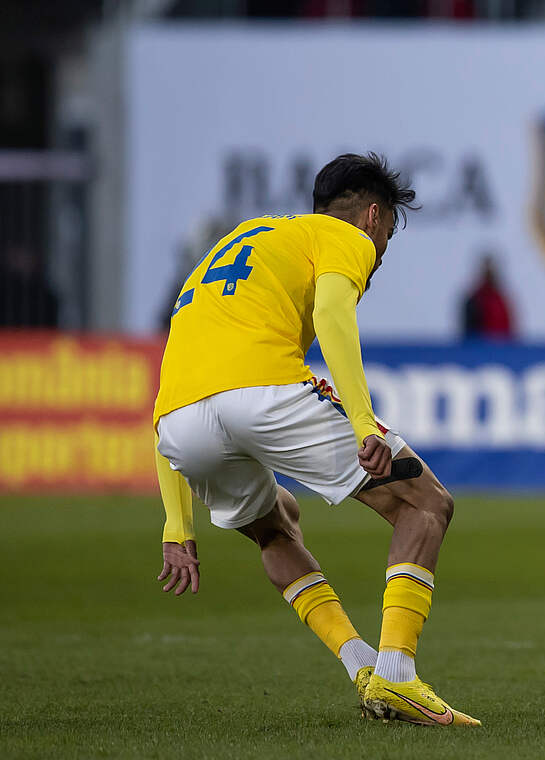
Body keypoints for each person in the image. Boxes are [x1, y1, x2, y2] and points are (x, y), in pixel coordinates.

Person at [152, 152, 480, 727]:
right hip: (265, 392)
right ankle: (398, 677)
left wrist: (177, 529)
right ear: (373, 217)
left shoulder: (243, 240)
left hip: (180, 424)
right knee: (426, 503)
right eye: (388, 236)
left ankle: (363, 667)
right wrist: (362, 423)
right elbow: (332, 314)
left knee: (275, 520)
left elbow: (172, 393)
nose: (380, 254)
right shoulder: (344, 237)